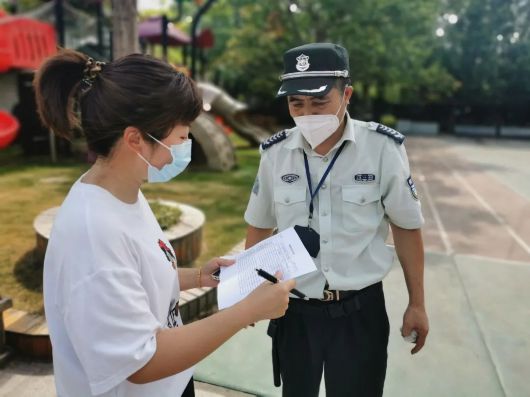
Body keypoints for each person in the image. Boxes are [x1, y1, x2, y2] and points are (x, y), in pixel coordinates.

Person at [36, 49, 295, 397]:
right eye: (181, 136)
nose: (186, 146)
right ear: (135, 139)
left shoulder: (123, 194)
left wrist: (199, 277)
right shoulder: (92, 233)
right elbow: (142, 363)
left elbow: (132, 281)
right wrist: (248, 310)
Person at [244, 43, 429, 396]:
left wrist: (417, 303)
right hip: (295, 312)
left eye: (318, 102)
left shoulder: (381, 149)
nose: (307, 113)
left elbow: (407, 228)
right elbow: (259, 225)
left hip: (360, 311)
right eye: (296, 103)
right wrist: (253, 292)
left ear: (346, 94)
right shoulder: (275, 154)